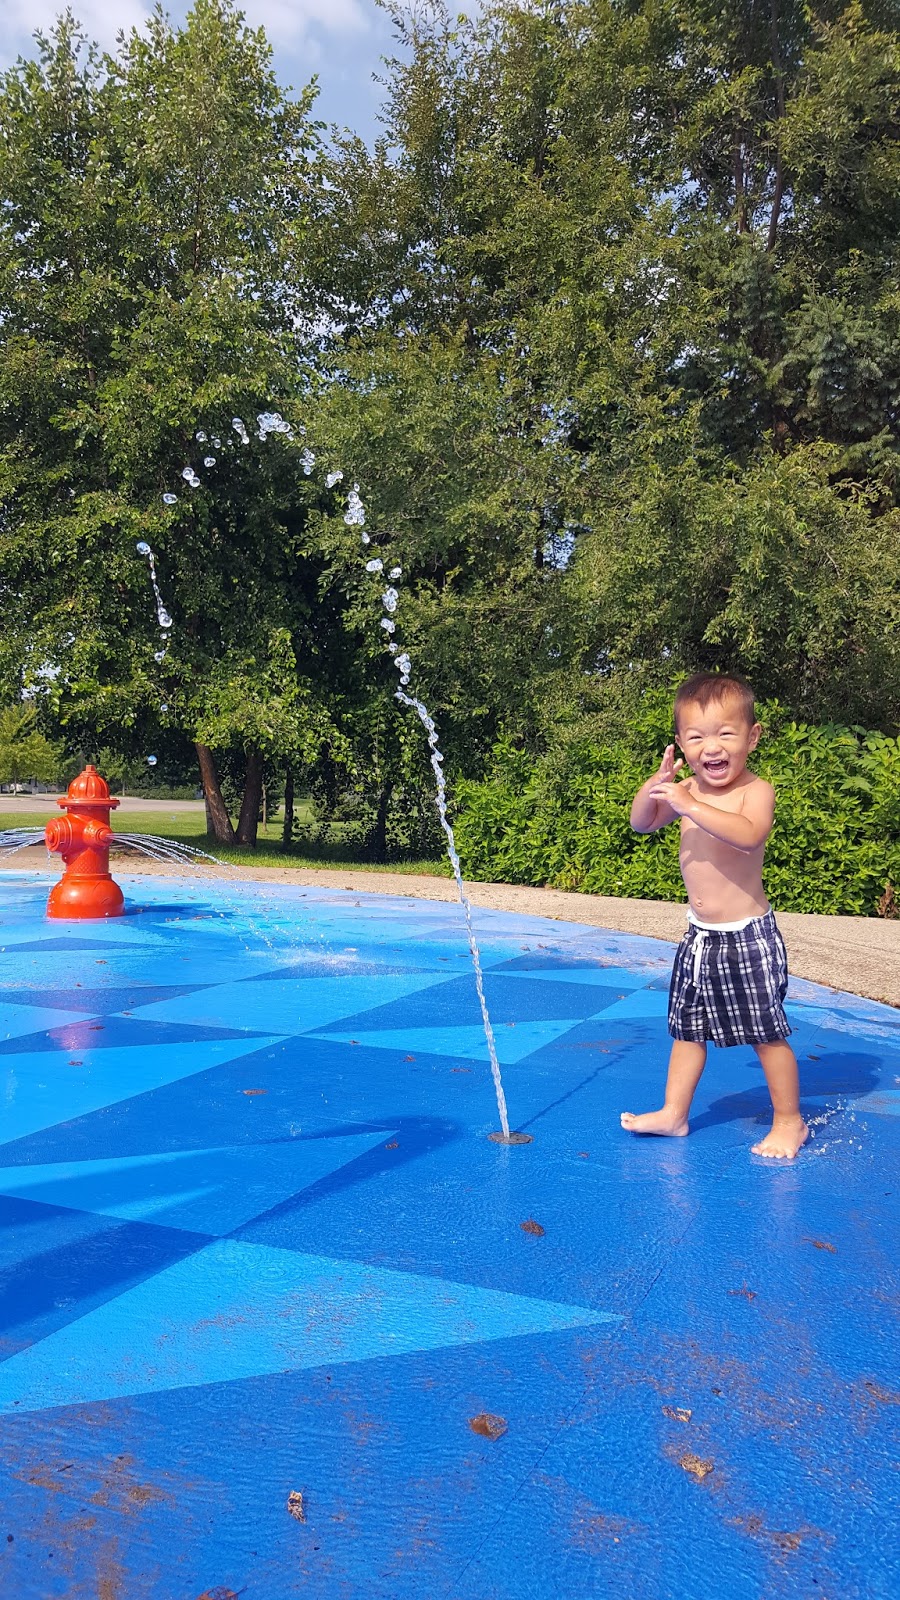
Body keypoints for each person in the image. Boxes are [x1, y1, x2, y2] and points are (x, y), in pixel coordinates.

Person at [620, 673, 808, 1160]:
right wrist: (657, 786)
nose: (712, 747)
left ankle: (790, 1121)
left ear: (752, 736)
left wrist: (690, 804)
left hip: (747, 937)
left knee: (766, 1034)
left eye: (725, 733)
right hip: (699, 938)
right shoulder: (683, 789)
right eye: (697, 736)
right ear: (682, 743)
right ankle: (674, 1113)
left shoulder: (755, 791)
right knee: (687, 1030)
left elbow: (747, 835)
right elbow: (642, 823)